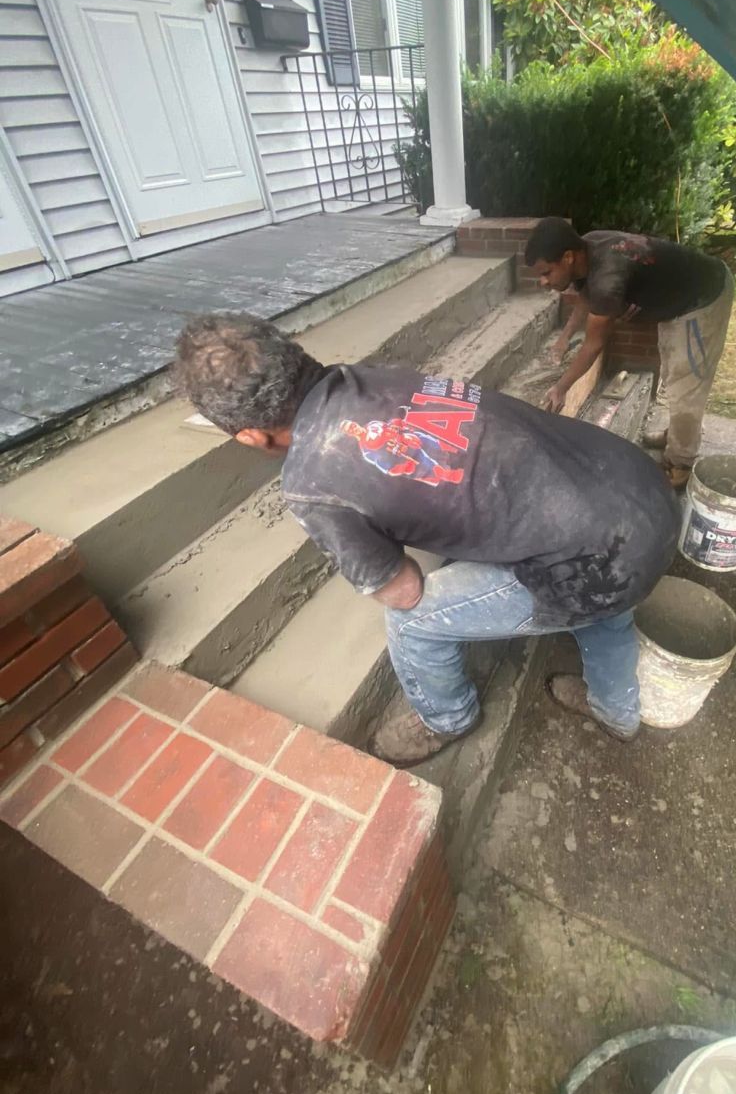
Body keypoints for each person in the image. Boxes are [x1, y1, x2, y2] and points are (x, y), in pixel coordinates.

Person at [173, 313, 680, 770]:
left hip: (603, 562)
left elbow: (404, 590)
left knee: (412, 622)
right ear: (296, 354)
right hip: (642, 493)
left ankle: (446, 717)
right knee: (608, 608)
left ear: (250, 436)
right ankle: (618, 713)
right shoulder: (379, 376)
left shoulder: (311, 483)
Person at [524, 218, 735, 488]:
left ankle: (680, 463)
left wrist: (561, 388)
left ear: (567, 258)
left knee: (687, 384)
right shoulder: (588, 245)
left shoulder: (607, 278)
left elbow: (593, 345)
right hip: (678, 301)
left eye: (546, 273)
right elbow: (586, 298)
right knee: (674, 371)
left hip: (704, 296)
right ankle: (678, 435)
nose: (543, 282)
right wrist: (563, 339)